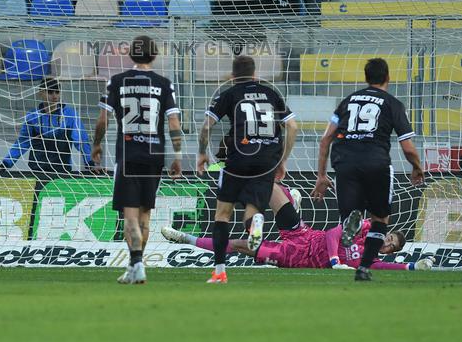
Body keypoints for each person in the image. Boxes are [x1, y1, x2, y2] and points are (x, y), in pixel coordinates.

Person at [311, 57, 424, 282]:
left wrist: (322, 176)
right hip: (376, 162)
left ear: (366, 78)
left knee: (350, 214)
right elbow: (408, 148)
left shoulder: (347, 101)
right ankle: (363, 267)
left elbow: (325, 140)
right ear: (388, 77)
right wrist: (417, 167)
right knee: (380, 219)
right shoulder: (393, 104)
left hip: (344, 161)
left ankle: (351, 219)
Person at [196, 54, 298, 283]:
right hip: (267, 160)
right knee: (252, 211)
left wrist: (202, 153)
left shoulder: (229, 94)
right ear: (255, 74)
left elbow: (206, 127)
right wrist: (282, 160)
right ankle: (254, 225)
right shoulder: (272, 94)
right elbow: (292, 126)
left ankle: (220, 271)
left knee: (222, 214)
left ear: (233, 76)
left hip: (239, 158)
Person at [92, 35, 182, 284]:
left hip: (128, 155)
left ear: (131, 54)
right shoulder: (164, 84)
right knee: (145, 216)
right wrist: (177, 155)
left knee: (130, 215)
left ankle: (137, 263)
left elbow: (103, 120)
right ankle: (135, 266)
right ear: (154, 55)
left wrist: (96, 144)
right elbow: (174, 123)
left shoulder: (116, 81)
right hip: (155, 156)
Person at [162, 214, 433, 271]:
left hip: (296, 257)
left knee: (243, 246)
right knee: (276, 192)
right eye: (388, 237)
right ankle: (286, 200)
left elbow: (387, 268)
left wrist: (412, 266)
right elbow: (333, 234)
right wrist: (336, 260)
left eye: (392, 245)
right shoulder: (365, 230)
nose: (387, 243)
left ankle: (185, 238)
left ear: (391, 251)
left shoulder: (370, 260)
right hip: (308, 236)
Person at [0, 76, 94, 175]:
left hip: (62, 170)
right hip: (38, 170)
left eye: (57, 92)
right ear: (41, 93)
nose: (54, 96)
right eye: (50, 92)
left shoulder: (70, 115)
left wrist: (90, 163)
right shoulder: (33, 116)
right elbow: (22, 143)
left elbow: (81, 140)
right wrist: (4, 164)